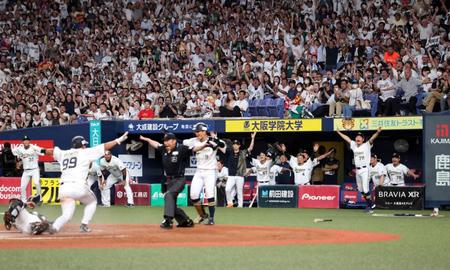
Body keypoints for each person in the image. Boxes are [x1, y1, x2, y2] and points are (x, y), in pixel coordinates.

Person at [40, 132, 129, 233]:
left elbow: (50, 151)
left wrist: (39, 150)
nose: (85, 146)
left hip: (64, 188)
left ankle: (55, 227)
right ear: (80, 145)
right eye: (84, 144)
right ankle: (84, 225)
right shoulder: (85, 152)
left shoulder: (64, 153)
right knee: (92, 202)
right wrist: (118, 141)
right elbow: (104, 146)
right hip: (78, 186)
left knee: (66, 215)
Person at [140, 133, 208, 229]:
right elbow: (155, 144)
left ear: (174, 141)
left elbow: (194, 148)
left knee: (169, 195)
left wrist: (204, 145)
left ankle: (168, 220)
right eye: (164, 141)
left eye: (168, 140)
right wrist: (146, 139)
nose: (165, 142)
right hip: (168, 180)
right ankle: (186, 221)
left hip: (179, 179)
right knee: (171, 203)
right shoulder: (163, 148)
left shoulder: (181, 148)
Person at [183, 123, 226, 225]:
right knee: (193, 195)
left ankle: (211, 218)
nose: (197, 133)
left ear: (204, 131)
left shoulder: (212, 140)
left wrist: (217, 140)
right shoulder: (193, 141)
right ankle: (202, 215)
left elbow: (224, 148)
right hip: (199, 171)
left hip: (210, 171)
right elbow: (182, 142)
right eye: (196, 132)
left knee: (210, 194)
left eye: (199, 131)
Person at [336, 127, 382, 212]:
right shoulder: (353, 145)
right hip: (358, 170)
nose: (358, 138)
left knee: (365, 189)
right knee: (360, 190)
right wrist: (339, 132)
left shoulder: (366, 145)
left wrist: (377, 132)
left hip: (365, 169)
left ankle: (370, 206)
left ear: (363, 139)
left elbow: (372, 138)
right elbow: (347, 138)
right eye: (357, 137)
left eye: (360, 137)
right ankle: (371, 204)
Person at [224, 133, 255, 208]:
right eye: (234, 144)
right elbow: (222, 148)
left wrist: (253, 138)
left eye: (237, 144)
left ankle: (240, 206)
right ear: (232, 145)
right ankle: (230, 203)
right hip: (231, 175)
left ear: (239, 146)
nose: (235, 145)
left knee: (239, 191)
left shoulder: (242, 153)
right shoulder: (229, 152)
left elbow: (250, 148)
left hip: (240, 175)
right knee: (227, 189)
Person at [12, 136, 42, 203]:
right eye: (24, 140)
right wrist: (18, 162)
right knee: (22, 187)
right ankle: (24, 201)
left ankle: (40, 198)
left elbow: (42, 151)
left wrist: (44, 151)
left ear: (29, 141)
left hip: (35, 170)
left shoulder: (34, 148)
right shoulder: (20, 149)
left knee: (37, 182)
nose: (26, 141)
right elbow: (13, 152)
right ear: (22, 142)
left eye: (27, 140)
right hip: (26, 171)